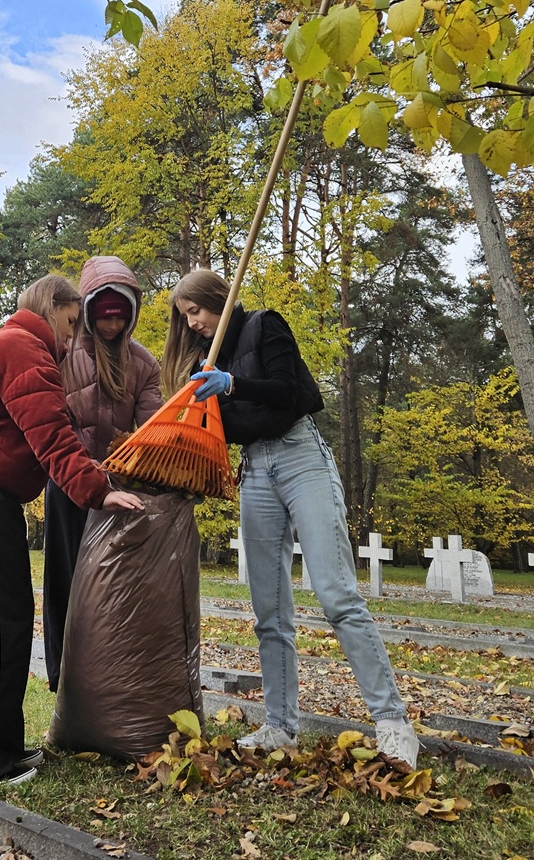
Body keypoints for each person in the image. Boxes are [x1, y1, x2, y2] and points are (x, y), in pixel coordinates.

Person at [162, 268, 420, 767]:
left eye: (196, 311)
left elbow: (291, 393)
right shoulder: (203, 360)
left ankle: (393, 724)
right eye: (185, 317)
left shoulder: (264, 326)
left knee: (336, 594)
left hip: (301, 457)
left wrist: (233, 383)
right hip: (254, 470)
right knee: (269, 612)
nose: (192, 323)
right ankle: (281, 726)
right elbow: (217, 433)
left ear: (218, 298)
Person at [0, 274, 145, 787]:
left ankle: (2, 749)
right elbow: (52, 436)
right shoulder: (22, 348)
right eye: (71, 323)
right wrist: (99, 490)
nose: (73, 338)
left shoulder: (21, 346)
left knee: (10, 619)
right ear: (50, 308)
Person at [44, 255, 163, 691]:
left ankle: (109, 675)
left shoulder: (143, 364)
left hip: (119, 489)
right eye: (103, 317)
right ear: (90, 312)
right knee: (66, 581)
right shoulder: (63, 353)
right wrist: (84, 470)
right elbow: (54, 421)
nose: (112, 325)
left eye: (120, 317)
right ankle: (62, 678)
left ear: (131, 314)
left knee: (113, 583)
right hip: (68, 482)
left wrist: (153, 468)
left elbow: (150, 429)